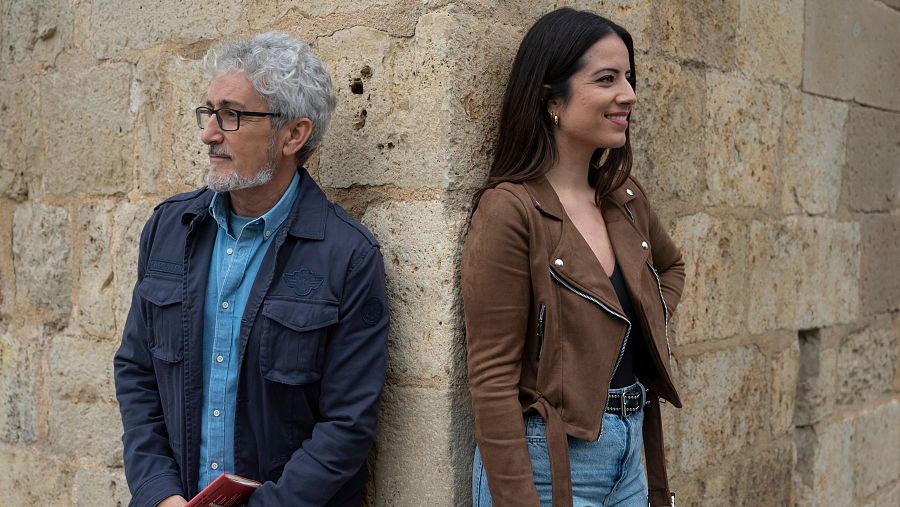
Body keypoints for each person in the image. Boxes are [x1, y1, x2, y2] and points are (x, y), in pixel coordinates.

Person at [114, 32, 389, 507]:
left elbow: (346, 427)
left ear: (293, 135)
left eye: (232, 115)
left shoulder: (347, 255)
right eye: (209, 112)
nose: (209, 134)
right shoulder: (169, 230)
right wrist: (160, 493)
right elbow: (137, 372)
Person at [462, 8, 685, 507]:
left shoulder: (622, 197)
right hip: (549, 460)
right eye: (606, 79)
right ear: (552, 99)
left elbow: (671, 267)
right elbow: (492, 380)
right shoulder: (510, 210)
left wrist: (645, 315)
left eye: (629, 77)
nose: (628, 94)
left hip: (632, 453)